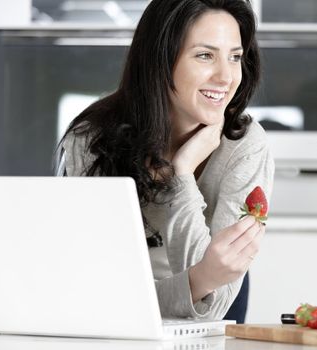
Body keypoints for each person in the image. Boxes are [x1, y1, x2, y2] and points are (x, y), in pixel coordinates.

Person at [55, 0, 274, 323]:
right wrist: (199, 282)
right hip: (114, 324)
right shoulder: (91, 139)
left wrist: (181, 175)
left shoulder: (245, 147)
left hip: (208, 325)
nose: (226, 76)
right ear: (160, 60)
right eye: (205, 55)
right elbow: (91, 291)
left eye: (235, 57)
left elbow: (213, 305)